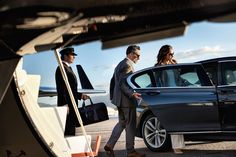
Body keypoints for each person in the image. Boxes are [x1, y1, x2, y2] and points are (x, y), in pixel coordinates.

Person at [104, 45, 145, 157]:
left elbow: (113, 82)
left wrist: (114, 98)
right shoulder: (127, 65)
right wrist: (132, 94)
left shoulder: (119, 64)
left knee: (122, 123)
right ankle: (131, 151)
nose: (139, 58)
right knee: (130, 126)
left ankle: (110, 144)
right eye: (137, 55)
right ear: (131, 54)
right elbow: (122, 84)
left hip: (120, 101)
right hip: (127, 101)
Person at [155, 45, 184, 154]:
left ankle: (179, 145)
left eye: (173, 54)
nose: (172, 56)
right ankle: (176, 146)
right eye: (170, 54)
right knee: (174, 120)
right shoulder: (158, 67)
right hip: (167, 95)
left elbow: (179, 79)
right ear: (164, 54)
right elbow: (157, 83)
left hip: (177, 94)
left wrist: (176, 66)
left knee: (179, 120)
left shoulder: (174, 64)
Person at [55, 47, 89, 136]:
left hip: (72, 105)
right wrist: (64, 104)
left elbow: (70, 89)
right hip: (68, 106)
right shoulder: (61, 69)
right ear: (65, 56)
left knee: (71, 129)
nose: (74, 57)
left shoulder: (67, 68)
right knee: (68, 131)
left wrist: (80, 95)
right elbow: (61, 88)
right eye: (72, 55)